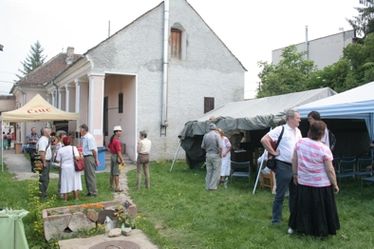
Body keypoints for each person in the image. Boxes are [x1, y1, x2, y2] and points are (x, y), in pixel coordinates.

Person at [288, 120, 340, 236]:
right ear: (322, 134)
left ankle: (300, 228)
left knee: (303, 207)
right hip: (321, 185)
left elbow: (294, 160)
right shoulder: (324, 149)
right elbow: (330, 170)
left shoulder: (300, 143)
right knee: (319, 209)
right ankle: (320, 231)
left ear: (310, 131)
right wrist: (335, 184)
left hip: (304, 182)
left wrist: (295, 175)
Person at [260, 109, 302, 224]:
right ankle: (276, 219)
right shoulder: (280, 129)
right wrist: (273, 152)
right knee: (281, 194)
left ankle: (294, 218)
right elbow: (264, 140)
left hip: (295, 166)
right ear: (290, 119)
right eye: (298, 117)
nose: (300, 119)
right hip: (282, 165)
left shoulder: (298, 131)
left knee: (295, 194)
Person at [55, 136, 82, 201]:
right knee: (75, 181)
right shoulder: (74, 148)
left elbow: (58, 160)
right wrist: (80, 155)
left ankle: (65, 199)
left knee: (65, 182)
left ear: (63, 142)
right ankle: (76, 198)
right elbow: (77, 158)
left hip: (64, 168)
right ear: (70, 142)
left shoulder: (60, 150)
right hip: (73, 167)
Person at [201, 123, 222, 191]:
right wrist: (220, 153)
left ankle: (207, 186)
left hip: (208, 154)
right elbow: (220, 146)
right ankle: (212, 187)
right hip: (215, 155)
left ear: (209, 129)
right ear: (215, 128)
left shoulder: (205, 135)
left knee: (209, 171)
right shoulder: (217, 135)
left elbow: (202, 146)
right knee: (216, 171)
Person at [80, 124, 99, 197]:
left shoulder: (89, 137)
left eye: (80, 130)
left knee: (90, 175)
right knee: (87, 175)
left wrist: (96, 159)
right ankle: (89, 191)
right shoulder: (84, 137)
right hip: (85, 157)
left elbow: (93, 150)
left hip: (89, 157)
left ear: (83, 130)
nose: (80, 131)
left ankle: (93, 192)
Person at [36, 127, 52, 200]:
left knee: (45, 178)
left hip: (45, 160)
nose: (50, 132)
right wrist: (44, 162)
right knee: (44, 178)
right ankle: (42, 194)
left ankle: (43, 192)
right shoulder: (43, 140)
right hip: (43, 161)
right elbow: (41, 152)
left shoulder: (46, 139)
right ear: (45, 132)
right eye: (49, 131)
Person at [107, 125, 125, 192]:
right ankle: (117, 188)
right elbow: (119, 152)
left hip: (113, 156)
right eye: (119, 131)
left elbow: (108, 146)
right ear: (116, 132)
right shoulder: (117, 141)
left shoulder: (112, 139)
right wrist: (122, 160)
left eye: (121, 131)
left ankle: (111, 186)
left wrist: (112, 152)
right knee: (116, 173)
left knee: (112, 172)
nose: (120, 132)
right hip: (116, 156)